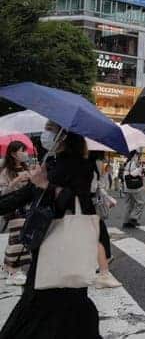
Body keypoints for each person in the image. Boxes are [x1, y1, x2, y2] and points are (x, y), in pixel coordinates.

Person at [0, 124, 103, 338]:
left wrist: (45, 185)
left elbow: (79, 202)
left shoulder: (81, 166)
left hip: (63, 243)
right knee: (55, 298)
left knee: (49, 298)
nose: (44, 134)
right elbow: (24, 195)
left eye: (49, 128)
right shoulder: (51, 164)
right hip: (51, 243)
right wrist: (37, 183)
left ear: (62, 136)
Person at [88, 151, 122, 289]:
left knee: (96, 233)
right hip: (90, 202)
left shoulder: (91, 164)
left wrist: (108, 198)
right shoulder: (93, 163)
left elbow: (96, 186)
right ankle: (103, 267)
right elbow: (98, 186)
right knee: (98, 231)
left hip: (88, 203)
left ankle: (103, 270)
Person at [0, 141, 32, 286]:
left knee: (22, 237)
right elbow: (3, 192)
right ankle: (14, 270)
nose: (25, 153)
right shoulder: (5, 171)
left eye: (25, 150)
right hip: (12, 208)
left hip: (27, 208)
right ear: (13, 153)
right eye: (22, 150)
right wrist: (17, 180)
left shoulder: (28, 168)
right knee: (17, 237)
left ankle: (9, 265)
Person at [122, 150, 145, 228]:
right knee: (141, 203)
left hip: (127, 187)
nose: (138, 156)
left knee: (129, 205)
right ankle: (133, 218)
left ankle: (126, 222)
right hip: (134, 188)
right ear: (134, 155)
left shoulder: (127, 163)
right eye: (137, 154)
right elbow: (133, 174)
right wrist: (140, 169)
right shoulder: (133, 163)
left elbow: (125, 176)